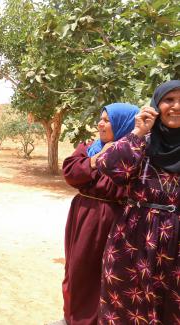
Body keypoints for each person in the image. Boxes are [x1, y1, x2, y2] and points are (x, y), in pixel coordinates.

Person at [97, 80, 180, 324]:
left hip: (176, 244)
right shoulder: (142, 142)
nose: (176, 106)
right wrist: (138, 131)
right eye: (169, 100)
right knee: (128, 308)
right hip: (133, 238)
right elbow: (109, 166)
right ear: (156, 105)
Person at [61, 103, 139, 325]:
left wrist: (115, 155)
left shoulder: (133, 154)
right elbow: (71, 173)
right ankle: (75, 317)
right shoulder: (90, 147)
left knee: (110, 271)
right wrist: (99, 157)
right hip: (85, 215)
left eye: (107, 120)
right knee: (78, 267)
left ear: (123, 124)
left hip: (117, 219)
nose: (100, 123)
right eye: (100, 119)